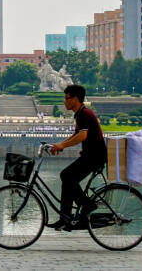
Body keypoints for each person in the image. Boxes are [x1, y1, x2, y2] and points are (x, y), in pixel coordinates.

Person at [47, 83, 106, 231]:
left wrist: (62, 146)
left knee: (67, 176)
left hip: (94, 156)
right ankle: (65, 218)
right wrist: (59, 144)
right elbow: (76, 135)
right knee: (67, 178)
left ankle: (87, 204)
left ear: (75, 99)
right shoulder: (80, 113)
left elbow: (82, 135)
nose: (64, 101)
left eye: (66, 98)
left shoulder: (84, 114)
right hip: (90, 155)